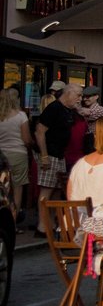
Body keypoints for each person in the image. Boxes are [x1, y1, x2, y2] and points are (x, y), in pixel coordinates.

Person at [36, 82, 80, 223]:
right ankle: (42, 226)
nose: (80, 99)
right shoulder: (54, 107)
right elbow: (40, 131)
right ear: (68, 93)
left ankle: (52, 222)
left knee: (56, 191)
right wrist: (44, 156)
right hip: (50, 153)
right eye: (78, 95)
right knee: (46, 190)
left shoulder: (67, 110)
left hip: (60, 154)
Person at [0, 88, 33, 229]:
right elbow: (26, 139)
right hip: (18, 153)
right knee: (18, 188)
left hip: (1, 154)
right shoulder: (21, 116)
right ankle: (12, 224)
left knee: (3, 190)